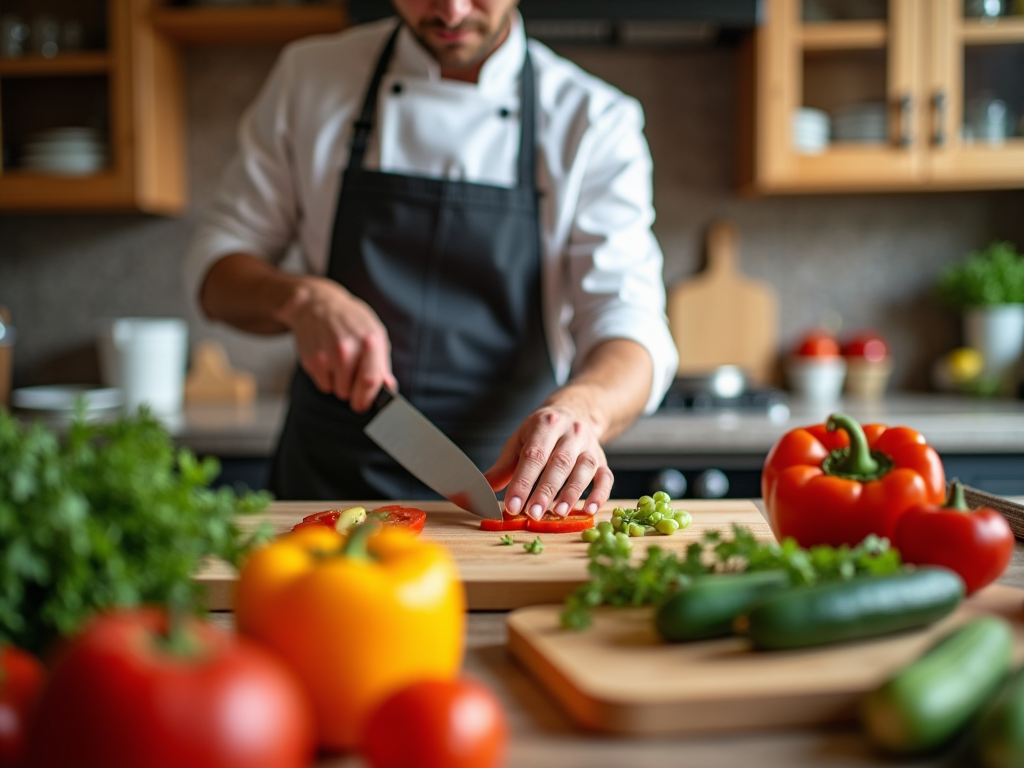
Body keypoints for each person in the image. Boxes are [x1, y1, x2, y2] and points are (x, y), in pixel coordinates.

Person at [184, 0, 678, 521]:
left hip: (507, 491)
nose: (451, 10)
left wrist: (583, 409)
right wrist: (299, 299)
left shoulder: (593, 120)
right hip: (325, 486)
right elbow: (217, 267)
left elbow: (631, 325)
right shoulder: (308, 80)